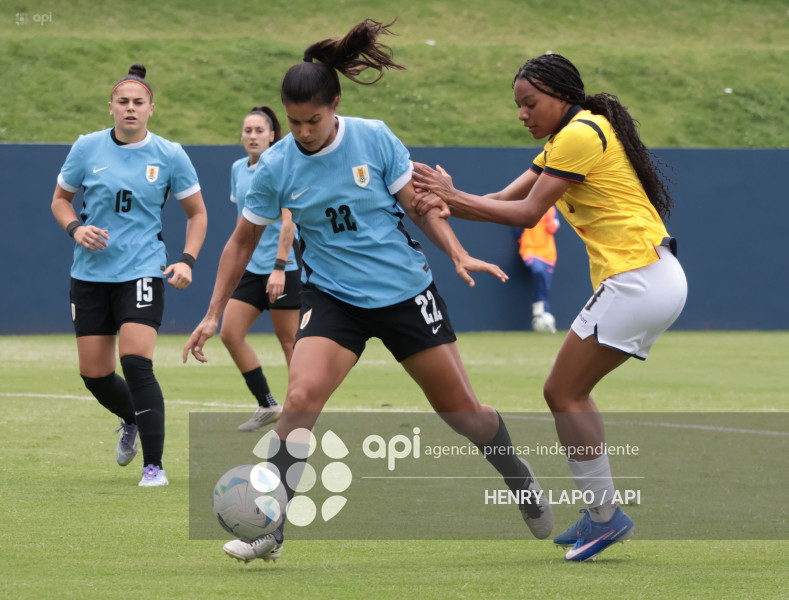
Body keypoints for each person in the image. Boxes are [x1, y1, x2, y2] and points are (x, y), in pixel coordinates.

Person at [184, 19, 553, 562]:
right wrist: (214, 312)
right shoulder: (276, 167)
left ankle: (518, 475)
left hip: (405, 294)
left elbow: (419, 206)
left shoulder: (374, 137)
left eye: (313, 120)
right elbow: (240, 244)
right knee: (300, 399)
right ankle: (272, 529)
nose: (304, 132)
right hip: (335, 300)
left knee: (463, 415)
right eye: (294, 122)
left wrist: (456, 251)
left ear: (335, 104)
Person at [412, 53, 687, 562]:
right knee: (569, 391)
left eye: (529, 102)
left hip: (640, 278)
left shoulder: (581, 133)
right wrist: (446, 202)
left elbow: (526, 213)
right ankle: (600, 513)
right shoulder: (566, 139)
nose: (522, 113)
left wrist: (452, 195)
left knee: (563, 390)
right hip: (650, 276)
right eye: (517, 105)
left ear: (562, 95)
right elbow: (500, 199)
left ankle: (606, 518)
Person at [51, 64, 208, 487]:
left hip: (142, 270)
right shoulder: (86, 148)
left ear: (151, 109)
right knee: (94, 374)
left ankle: (154, 467)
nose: (131, 109)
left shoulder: (170, 154)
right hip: (89, 276)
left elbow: (197, 214)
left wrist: (187, 260)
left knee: (136, 363)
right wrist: (75, 228)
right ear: (111, 108)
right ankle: (131, 419)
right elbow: (60, 200)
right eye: (123, 102)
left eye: (139, 102)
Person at [222, 106, 302, 432]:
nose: (252, 136)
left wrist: (280, 267)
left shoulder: (280, 168)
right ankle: (267, 403)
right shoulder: (238, 169)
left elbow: (288, 221)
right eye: (248, 130)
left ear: (272, 135)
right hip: (251, 270)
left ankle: (300, 411)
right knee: (229, 333)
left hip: (281, 268)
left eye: (259, 130)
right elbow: (244, 223)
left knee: (289, 341)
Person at [516, 204, 560, 333]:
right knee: (538, 270)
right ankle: (538, 305)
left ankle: (543, 314)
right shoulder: (525, 206)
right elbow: (517, 231)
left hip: (548, 254)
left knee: (545, 287)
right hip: (530, 250)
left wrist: (547, 216)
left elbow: (553, 229)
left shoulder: (551, 209)